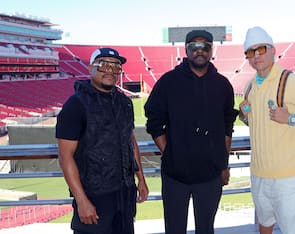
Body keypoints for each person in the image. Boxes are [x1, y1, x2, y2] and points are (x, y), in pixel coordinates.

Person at [144, 30, 238, 234]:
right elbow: (154, 120)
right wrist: (168, 152)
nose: (200, 51)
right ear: (186, 49)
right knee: (174, 229)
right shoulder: (169, 82)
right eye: (194, 46)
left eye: (205, 46)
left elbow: (227, 126)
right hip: (175, 175)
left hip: (211, 175)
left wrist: (223, 164)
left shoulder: (222, 85)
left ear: (211, 50)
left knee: (206, 229)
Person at [239, 26, 295, 234]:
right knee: (265, 224)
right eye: (250, 52)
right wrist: (244, 115)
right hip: (259, 174)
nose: (256, 56)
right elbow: (256, 125)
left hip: (287, 178)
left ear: (272, 50)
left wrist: (291, 118)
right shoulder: (249, 87)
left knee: (294, 230)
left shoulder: (292, 81)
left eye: (260, 49)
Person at [56, 47, 149, 234]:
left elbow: (130, 141)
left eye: (115, 66)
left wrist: (141, 179)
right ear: (91, 67)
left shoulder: (125, 103)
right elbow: (65, 156)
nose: (110, 70)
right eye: (103, 64)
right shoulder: (76, 105)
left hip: (124, 193)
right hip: (94, 195)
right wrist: (82, 201)